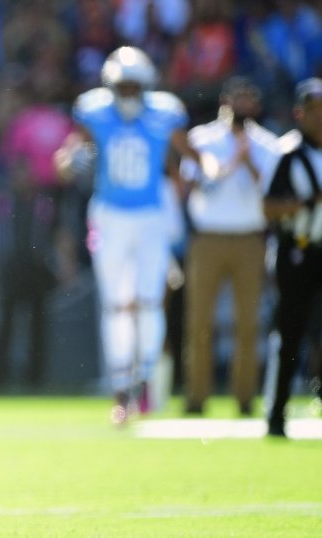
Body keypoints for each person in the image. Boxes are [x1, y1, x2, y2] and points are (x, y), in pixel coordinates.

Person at [55, 46, 200, 425]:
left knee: (150, 302)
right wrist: (70, 161)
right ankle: (121, 388)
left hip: (151, 216)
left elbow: (192, 157)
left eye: (135, 87)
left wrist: (198, 179)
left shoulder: (165, 112)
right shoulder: (95, 110)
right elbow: (69, 156)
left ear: (147, 85)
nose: (129, 94)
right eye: (123, 86)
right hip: (109, 216)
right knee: (118, 304)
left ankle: (145, 381)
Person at [179, 77, 279, 417]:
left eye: (249, 99)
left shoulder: (267, 144)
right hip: (208, 237)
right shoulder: (202, 139)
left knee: (248, 324)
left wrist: (247, 160)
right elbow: (193, 183)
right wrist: (226, 164)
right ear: (225, 101)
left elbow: (271, 193)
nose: (243, 105)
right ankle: (196, 397)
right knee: (199, 321)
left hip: (250, 239)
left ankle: (245, 397)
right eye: (238, 98)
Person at [263, 78, 322, 438]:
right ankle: (276, 412)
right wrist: (305, 203)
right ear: (300, 114)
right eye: (314, 111)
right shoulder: (287, 153)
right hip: (298, 248)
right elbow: (268, 207)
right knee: (290, 333)